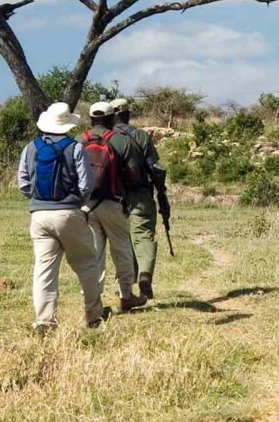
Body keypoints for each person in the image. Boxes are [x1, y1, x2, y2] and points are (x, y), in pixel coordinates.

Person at [18, 102, 108, 330]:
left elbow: (23, 184)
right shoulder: (75, 147)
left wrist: (38, 198)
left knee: (44, 269)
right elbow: (86, 184)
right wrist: (75, 202)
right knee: (87, 264)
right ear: (67, 124)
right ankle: (94, 315)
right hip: (69, 212)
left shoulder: (31, 147)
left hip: (39, 215)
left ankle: (45, 320)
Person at [81, 102, 148, 313]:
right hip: (113, 203)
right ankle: (126, 296)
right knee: (121, 249)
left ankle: (92, 300)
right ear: (111, 120)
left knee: (94, 252)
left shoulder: (78, 141)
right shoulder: (120, 140)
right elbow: (133, 175)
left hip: (86, 206)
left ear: (91, 120)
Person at [110, 97, 170, 299]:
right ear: (127, 114)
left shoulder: (106, 138)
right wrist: (161, 191)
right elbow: (155, 167)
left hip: (112, 198)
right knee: (143, 235)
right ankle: (145, 273)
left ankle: (125, 287)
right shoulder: (141, 136)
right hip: (140, 194)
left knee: (121, 241)